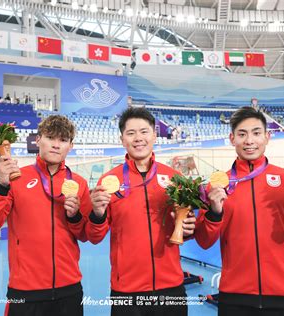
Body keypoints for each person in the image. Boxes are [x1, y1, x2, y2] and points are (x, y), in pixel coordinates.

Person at [195, 107, 284, 316]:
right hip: (235, 295)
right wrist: (215, 212)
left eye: (256, 133)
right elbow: (205, 241)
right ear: (232, 139)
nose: (249, 140)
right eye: (242, 134)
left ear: (267, 137)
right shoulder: (216, 185)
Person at [85, 107, 199, 316]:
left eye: (144, 131)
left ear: (154, 135)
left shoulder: (174, 178)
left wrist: (190, 228)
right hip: (127, 290)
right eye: (131, 133)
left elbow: (186, 228)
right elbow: (94, 236)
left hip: (170, 287)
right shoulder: (109, 181)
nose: (138, 138)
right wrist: (97, 213)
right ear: (122, 139)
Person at [0, 115, 92, 316]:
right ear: (38, 140)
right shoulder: (16, 178)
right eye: (50, 137)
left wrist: (74, 216)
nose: (56, 145)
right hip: (26, 290)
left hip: (69, 288)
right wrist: (2, 185)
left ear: (70, 145)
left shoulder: (79, 183)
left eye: (63, 140)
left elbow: (85, 234)